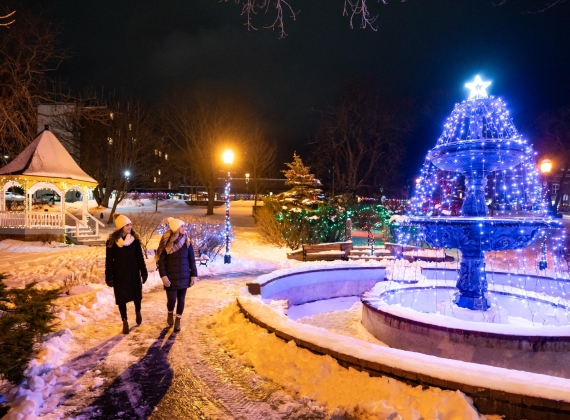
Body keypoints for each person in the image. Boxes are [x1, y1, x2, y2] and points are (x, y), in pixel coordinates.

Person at [105, 213, 148, 334]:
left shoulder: (134, 241)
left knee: (136, 296)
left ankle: (138, 311)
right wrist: (109, 277)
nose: (130, 227)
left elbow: (140, 258)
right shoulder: (111, 243)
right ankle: (124, 320)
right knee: (121, 299)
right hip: (119, 275)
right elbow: (108, 261)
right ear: (121, 227)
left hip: (133, 273)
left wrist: (143, 272)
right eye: (127, 225)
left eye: (130, 224)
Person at [156, 217, 198, 332]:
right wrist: (163, 276)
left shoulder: (187, 242)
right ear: (176, 228)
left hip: (184, 276)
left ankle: (178, 320)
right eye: (182, 226)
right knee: (171, 300)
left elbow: (191, 260)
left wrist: (194, 275)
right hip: (170, 276)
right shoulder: (166, 242)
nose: (184, 228)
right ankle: (170, 313)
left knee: (181, 299)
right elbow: (161, 261)